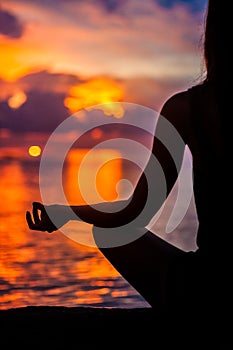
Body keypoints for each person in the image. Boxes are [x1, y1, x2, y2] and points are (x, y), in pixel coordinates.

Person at [26, 0, 230, 329]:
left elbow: (134, 212)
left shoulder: (187, 108)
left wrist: (65, 213)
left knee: (109, 232)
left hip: (207, 295)